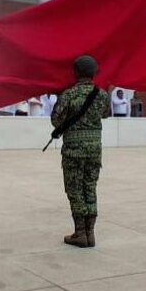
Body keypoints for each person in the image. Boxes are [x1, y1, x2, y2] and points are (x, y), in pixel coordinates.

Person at [53, 55, 110, 247]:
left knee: (75, 189)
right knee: (90, 188)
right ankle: (90, 233)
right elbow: (106, 114)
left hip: (74, 150)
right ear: (94, 73)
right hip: (95, 149)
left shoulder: (68, 95)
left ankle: (80, 233)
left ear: (76, 72)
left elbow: (56, 120)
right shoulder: (101, 94)